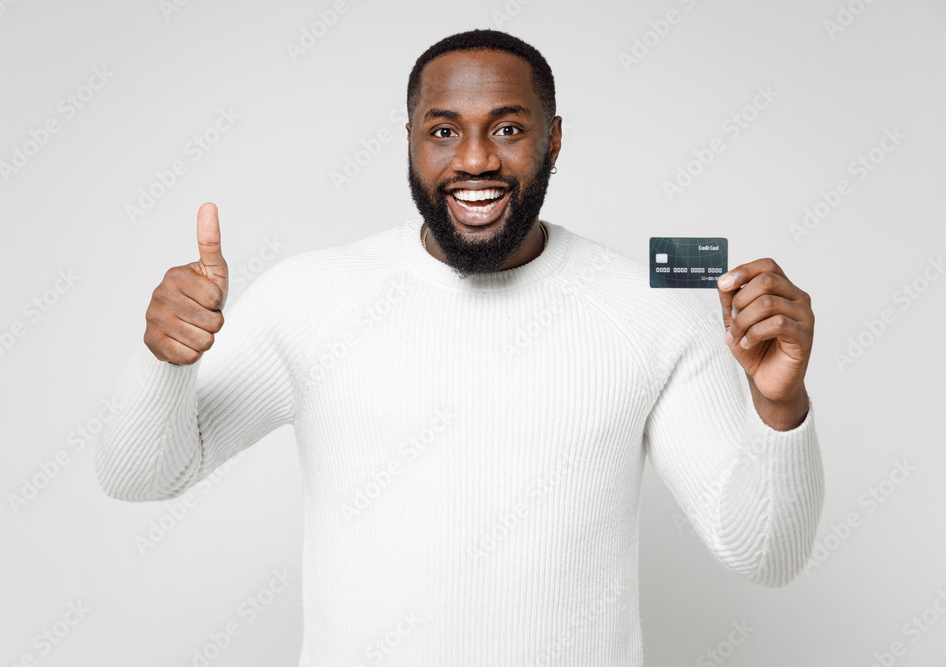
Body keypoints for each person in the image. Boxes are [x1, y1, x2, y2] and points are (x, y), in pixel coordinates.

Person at [95, 28, 823, 666]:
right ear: (410, 138)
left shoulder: (649, 309)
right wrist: (164, 360)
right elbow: (139, 475)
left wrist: (780, 404)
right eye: (444, 131)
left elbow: (766, 552)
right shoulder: (310, 297)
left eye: (508, 129)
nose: (475, 160)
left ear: (554, 140)